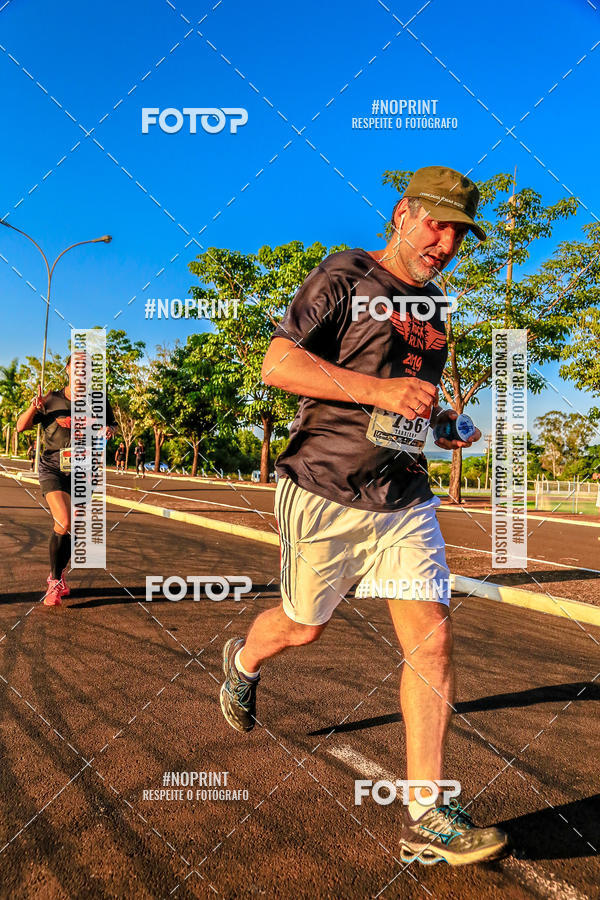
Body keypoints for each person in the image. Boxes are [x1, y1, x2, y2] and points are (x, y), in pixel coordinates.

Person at [219, 166, 509, 865]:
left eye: (460, 234)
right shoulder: (346, 274)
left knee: (432, 642)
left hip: (402, 495)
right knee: (304, 627)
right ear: (403, 214)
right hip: (324, 489)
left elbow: (411, 399)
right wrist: (378, 391)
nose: (446, 244)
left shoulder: (435, 309)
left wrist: (441, 423)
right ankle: (245, 660)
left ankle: (428, 811)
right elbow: (278, 364)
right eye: (437, 225)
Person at [16, 353, 117, 606]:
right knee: (64, 519)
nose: (81, 371)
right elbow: (20, 426)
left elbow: (112, 425)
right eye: (77, 366)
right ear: (68, 369)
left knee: (72, 525)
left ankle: (58, 576)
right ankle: (54, 581)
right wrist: (34, 406)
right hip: (53, 467)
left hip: (84, 469)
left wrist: (108, 430)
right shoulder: (51, 399)